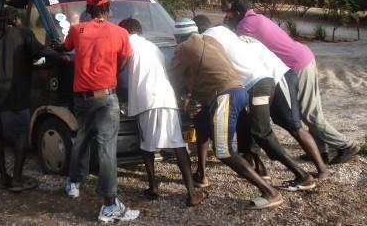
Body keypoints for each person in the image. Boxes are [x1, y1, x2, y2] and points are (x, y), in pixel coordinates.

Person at [194, 15, 327, 186]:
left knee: (282, 127)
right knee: (247, 123)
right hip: (256, 83)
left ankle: (308, 173)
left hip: (274, 78)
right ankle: (259, 167)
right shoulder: (229, 36)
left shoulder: (209, 38)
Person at [229, 0, 359, 164]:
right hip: (300, 58)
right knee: (307, 111)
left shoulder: (245, 25)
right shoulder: (257, 18)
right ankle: (320, 151)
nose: (227, 16)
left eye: (228, 13)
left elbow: (236, 49)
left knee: (309, 114)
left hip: (296, 64)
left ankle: (346, 145)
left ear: (237, 13)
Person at [170, 19, 283, 210]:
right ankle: (202, 175)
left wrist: (181, 96)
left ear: (179, 37)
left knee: (224, 150)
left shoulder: (184, 48)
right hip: (238, 91)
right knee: (204, 124)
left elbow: (172, 75)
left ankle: (270, 192)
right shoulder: (210, 41)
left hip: (224, 96)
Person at [59, 0, 139, 223]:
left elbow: (65, 48)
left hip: (81, 98)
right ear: (108, 9)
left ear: (88, 9)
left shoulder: (77, 30)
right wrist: (113, 72)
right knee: (106, 149)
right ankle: (109, 205)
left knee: (81, 139)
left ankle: (73, 183)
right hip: (105, 97)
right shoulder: (120, 32)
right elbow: (124, 59)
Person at [118, 18, 206, 206]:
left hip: (146, 99)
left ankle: (153, 186)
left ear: (125, 31)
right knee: (178, 144)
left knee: (146, 145)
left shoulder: (126, 42)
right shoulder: (153, 47)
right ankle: (191, 192)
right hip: (166, 97)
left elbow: (121, 67)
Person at [0, 6, 63, 192]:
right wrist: (62, 55)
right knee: (20, 134)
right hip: (15, 92)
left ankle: (3, 177)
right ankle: (17, 179)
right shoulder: (23, 33)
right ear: (16, 19)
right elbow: (43, 52)